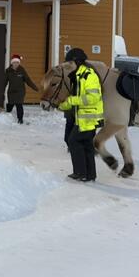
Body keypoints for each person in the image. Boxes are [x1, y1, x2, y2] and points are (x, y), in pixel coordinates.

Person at [58, 47, 104, 182]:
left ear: (77, 62)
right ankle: (90, 175)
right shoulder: (78, 76)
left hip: (89, 118)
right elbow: (75, 99)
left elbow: (93, 97)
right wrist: (63, 105)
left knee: (73, 141)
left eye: (70, 64)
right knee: (86, 145)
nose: (68, 66)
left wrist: (72, 100)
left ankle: (80, 173)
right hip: (83, 118)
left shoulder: (89, 75)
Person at [3, 54, 38, 124]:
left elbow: (28, 80)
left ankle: (20, 119)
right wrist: (1, 91)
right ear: (12, 63)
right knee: (10, 104)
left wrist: (35, 88)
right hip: (11, 92)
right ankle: (6, 117)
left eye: (17, 63)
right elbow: (4, 82)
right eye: (14, 63)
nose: (16, 64)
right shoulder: (8, 71)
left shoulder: (22, 70)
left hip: (20, 91)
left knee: (19, 105)